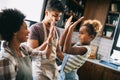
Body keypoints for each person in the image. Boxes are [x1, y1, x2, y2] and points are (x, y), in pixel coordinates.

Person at [0, 8, 54, 80]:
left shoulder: (23, 49)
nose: (28, 31)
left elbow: (45, 55)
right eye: (25, 28)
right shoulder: (6, 60)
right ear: (15, 31)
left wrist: (50, 40)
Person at [27, 0, 65, 80]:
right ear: (47, 12)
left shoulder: (57, 31)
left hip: (53, 70)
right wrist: (49, 40)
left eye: (59, 16)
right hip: (40, 71)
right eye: (55, 15)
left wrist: (67, 60)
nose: (58, 19)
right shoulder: (35, 28)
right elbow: (32, 53)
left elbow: (58, 52)